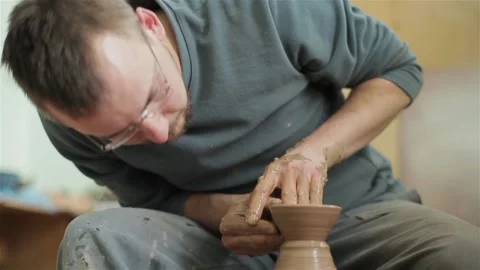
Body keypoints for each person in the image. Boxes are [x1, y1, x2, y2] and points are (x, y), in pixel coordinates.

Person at [2, 0, 479, 269]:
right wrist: (223, 212)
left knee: (462, 253)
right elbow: (152, 199)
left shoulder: (251, 8)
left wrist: (311, 156)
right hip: (226, 246)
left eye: (154, 94)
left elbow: (397, 70)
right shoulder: (71, 126)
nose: (159, 132)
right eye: (122, 133)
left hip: (359, 215)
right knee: (94, 235)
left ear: (148, 25)